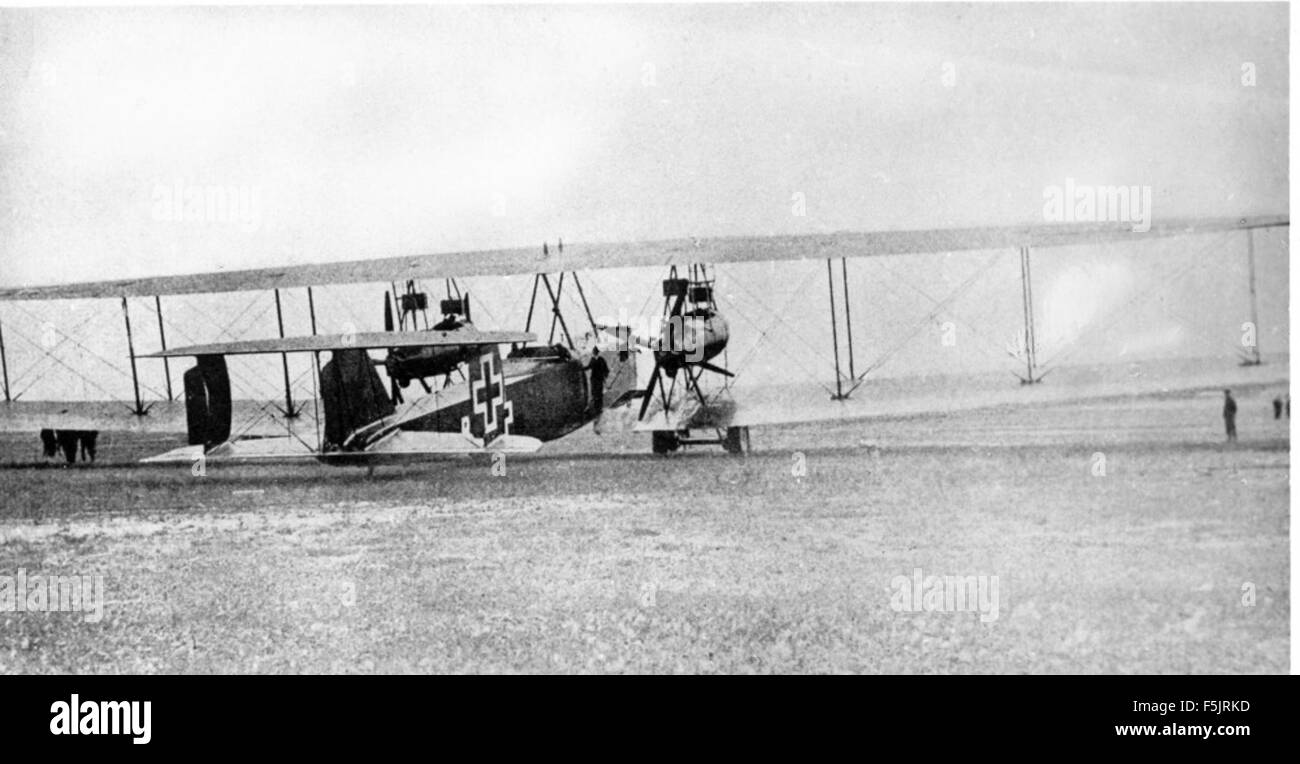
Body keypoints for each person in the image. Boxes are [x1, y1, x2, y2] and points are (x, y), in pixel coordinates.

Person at [584, 346, 610, 431]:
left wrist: (605, 376)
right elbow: (589, 367)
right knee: (596, 394)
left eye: (594, 352)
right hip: (595, 380)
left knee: (597, 394)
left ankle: (598, 409)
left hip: (597, 380)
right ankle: (597, 408)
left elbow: (606, 370)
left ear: (594, 352)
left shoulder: (598, 360)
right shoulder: (597, 359)